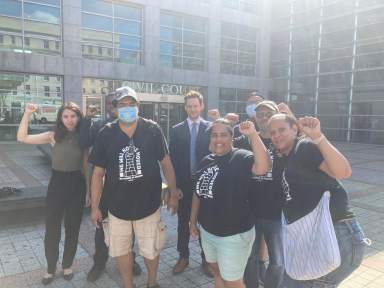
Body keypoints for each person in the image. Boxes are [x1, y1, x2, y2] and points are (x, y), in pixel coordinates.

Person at [89, 86, 181, 288]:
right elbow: (97, 173)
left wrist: (173, 192)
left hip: (148, 205)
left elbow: (166, 163)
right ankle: (128, 284)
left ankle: (152, 282)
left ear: (138, 106)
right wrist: (95, 206)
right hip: (117, 206)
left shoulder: (152, 129)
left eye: (132, 104)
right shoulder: (106, 133)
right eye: (123, 104)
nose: (128, 108)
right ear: (115, 108)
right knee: (121, 250)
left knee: (151, 249)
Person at [268, 114, 369, 288]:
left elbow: (343, 172)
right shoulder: (281, 158)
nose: (277, 135)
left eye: (282, 129)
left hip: (337, 235)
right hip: (309, 238)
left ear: (294, 129)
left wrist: (318, 137)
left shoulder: (305, 147)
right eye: (273, 132)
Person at [190, 118, 270, 288]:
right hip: (208, 232)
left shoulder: (240, 156)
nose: (218, 139)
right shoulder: (206, 161)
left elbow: (263, 167)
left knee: (233, 281)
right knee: (217, 271)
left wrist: (253, 135)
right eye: (214, 135)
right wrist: (192, 221)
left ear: (231, 137)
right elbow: (197, 194)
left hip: (233, 235)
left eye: (223, 135)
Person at [17, 102, 90, 285]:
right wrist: (27, 113)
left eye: (73, 116)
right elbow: (22, 137)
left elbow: (85, 166)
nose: (69, 120)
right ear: (60, 118)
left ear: (78, 117)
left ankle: (67, 266)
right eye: (65, 116)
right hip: (57, 185)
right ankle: (50, 268)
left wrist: (89, 191)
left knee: (73, 229)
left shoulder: (83, 137)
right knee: (52, 230)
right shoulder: (53, 136)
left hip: (77, 186)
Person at [79, 94, 142, 282]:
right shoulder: (101, 127)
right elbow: (84, 143)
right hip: (106, 188)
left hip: (129, 189)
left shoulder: (139, 127)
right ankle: (99, 263)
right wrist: (87, 119)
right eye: (115, 104)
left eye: (128, 104)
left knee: (129, 227)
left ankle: (130, 259)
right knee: (101, 228)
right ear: (111, 107)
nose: (120, 108)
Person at [235, 101, 284, 288]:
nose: (263, 117)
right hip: (251, 210)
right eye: (260, 113)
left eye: (268, 113)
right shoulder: (245, 140)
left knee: (278, 261)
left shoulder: (282, 139)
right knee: (250, 257)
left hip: (276, 212)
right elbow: (224, 144)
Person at [169, 90, 212, 276]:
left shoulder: (211, 128)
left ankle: (206, 258)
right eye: (189, 106)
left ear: (201, 106)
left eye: (196, 105)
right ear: (185, 107)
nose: (193, 109)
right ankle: (183, 256)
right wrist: (174, 187)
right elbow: (173, 160)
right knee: (183, 221)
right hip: (184, 185)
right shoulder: (176, 129)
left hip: (206, 184)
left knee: (206, 222)